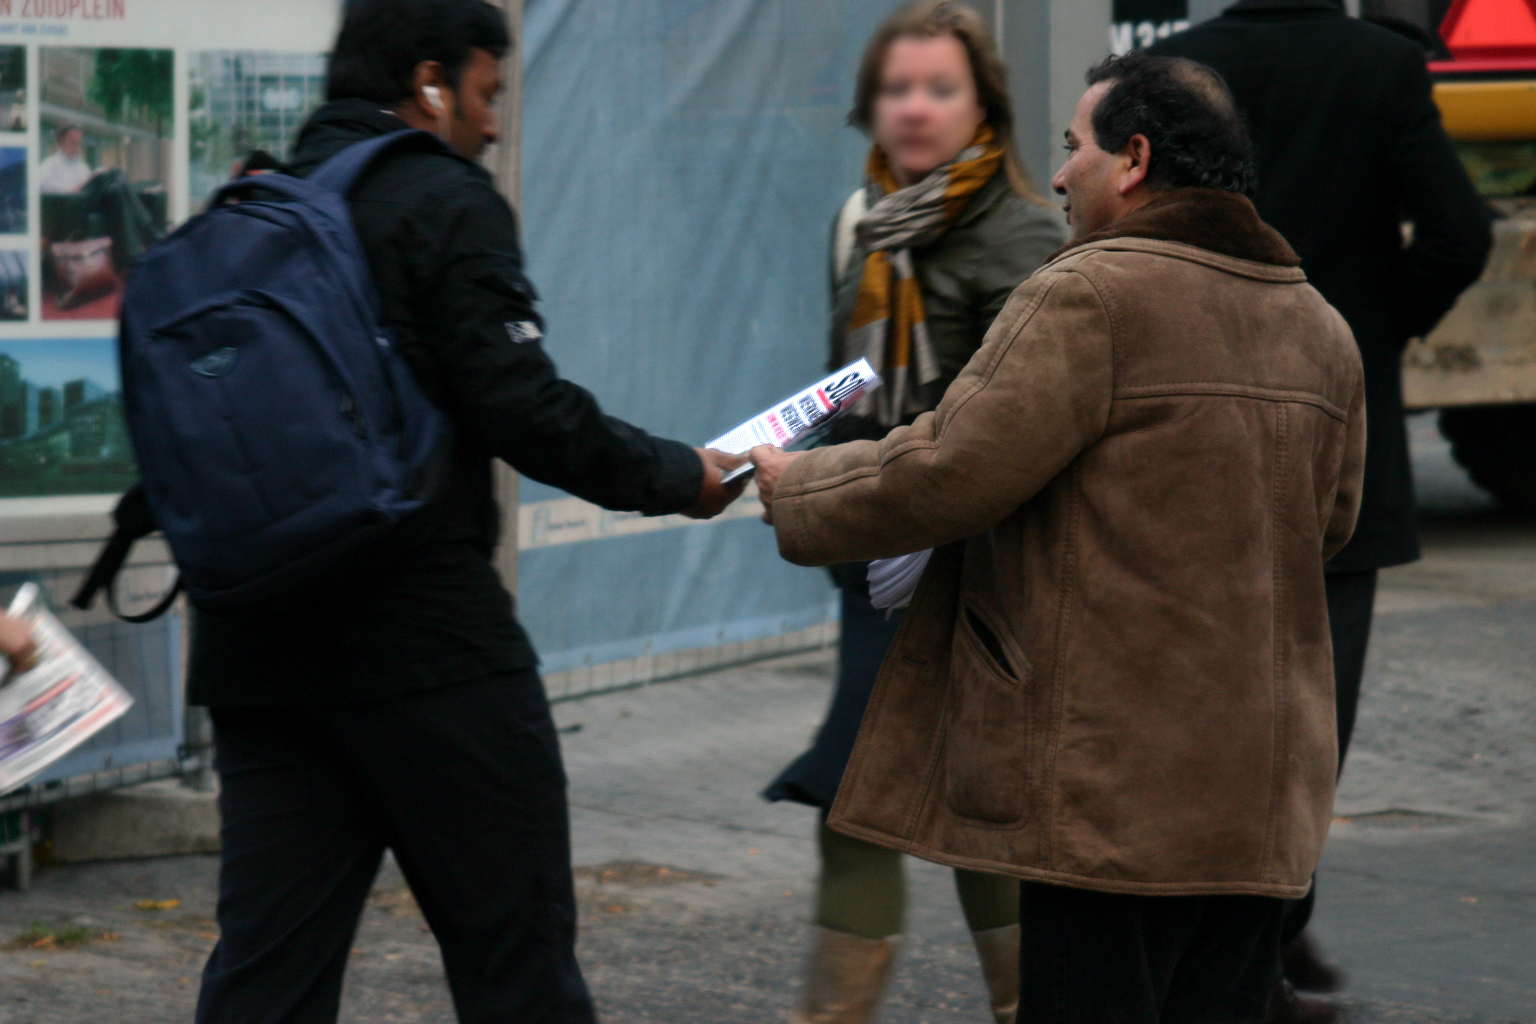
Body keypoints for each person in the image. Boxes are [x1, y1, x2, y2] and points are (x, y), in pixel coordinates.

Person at [751, 52, 1366, 1023]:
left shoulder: (1089, 294)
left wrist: (802, 488)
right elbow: (1329, 524)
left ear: (1135, 160)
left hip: (1106, 796)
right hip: (1259, 804)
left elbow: (952, 467)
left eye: (1075, 146)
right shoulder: (1321, 327)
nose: (1062, 173)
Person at [188, 2, 743, 1022]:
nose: (492, 124)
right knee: (517, 970)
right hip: (427, 652)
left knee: (266, 985)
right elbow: (522, 404)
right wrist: (681, 475)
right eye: (488, 94)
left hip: (256, 654)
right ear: (431, 83)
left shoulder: (248, 205)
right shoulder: (440, 196)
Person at [1150, 6, 1492, 1017]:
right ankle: (1263, 941)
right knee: (1308, 724)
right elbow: (1459, 233)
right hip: (1341, 438)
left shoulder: (1177, 64)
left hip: (1200, 434)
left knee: (1198, 709)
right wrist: (1377, 329)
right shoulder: (1379, 66)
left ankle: (1214, 941)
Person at [762, 4, 1063, 1023]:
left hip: (979, 568)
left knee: (973, 812)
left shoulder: (1025, 235)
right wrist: (778, 450)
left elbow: (1018, 428)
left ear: (985, 107)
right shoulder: (864, 222)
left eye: (940, 88)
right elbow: (850, 383)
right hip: (877, 562)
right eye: (897, 89)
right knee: (860, 803)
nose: (916, 108)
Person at [37, 124, 93, 194]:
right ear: (62, 140)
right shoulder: (48, 166)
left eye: (78, 142)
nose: (76, 146)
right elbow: (39, 187)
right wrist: (72, 191)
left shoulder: (83, 168)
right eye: (72, 141)